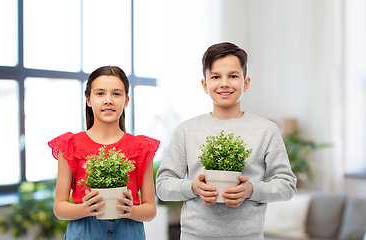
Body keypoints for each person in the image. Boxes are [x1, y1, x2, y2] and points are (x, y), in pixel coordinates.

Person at [156, 42, 297, 240]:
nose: (224, 83)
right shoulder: (187, 130)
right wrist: (193, 187)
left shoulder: (266, 130)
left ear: (245, 83)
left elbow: (287, 185)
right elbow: (163, 185)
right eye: (215, 77)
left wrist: (251, 190)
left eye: (233, 76)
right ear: (205, 85)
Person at [49, 66, 160, 240]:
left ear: (126, 101)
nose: (108, 100)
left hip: (128, 232)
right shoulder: (70, 145)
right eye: (100, 93)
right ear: (88, 99)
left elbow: (150, 210)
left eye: (116, 94)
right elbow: (59, 208)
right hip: (84, 232)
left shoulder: (141, 147)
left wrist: (131, 210)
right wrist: (84, 208)